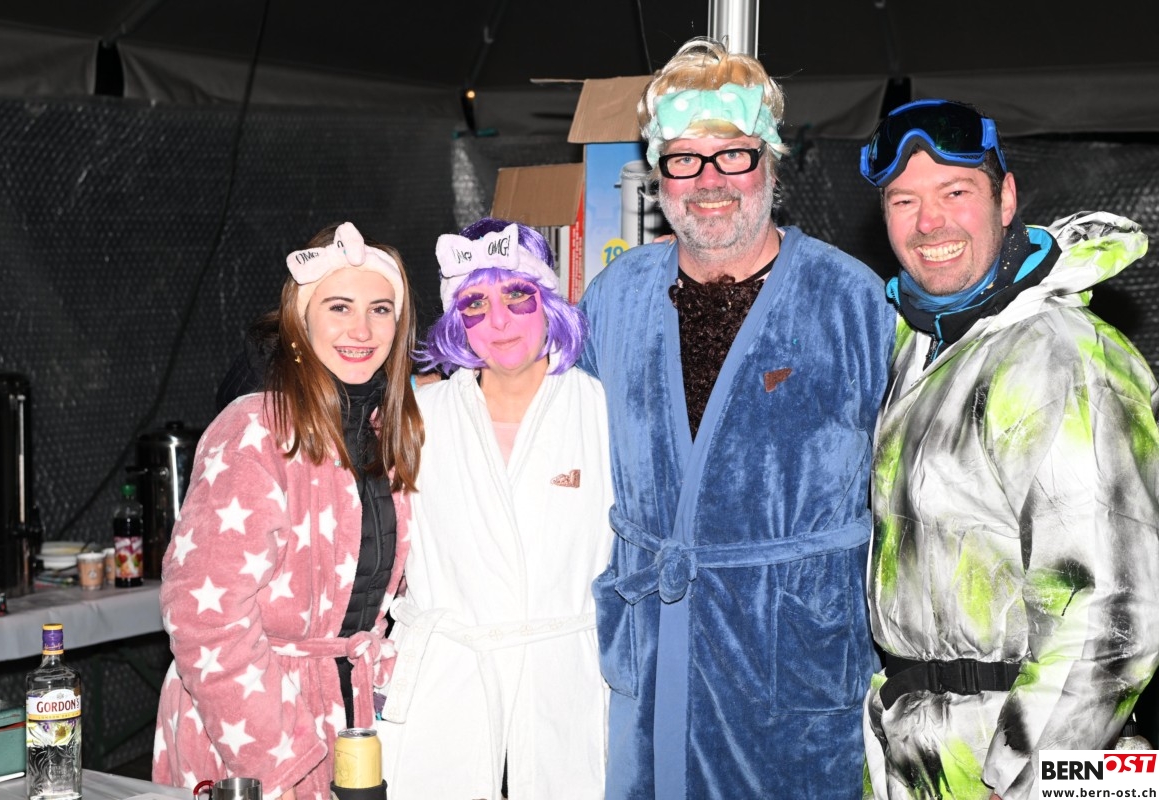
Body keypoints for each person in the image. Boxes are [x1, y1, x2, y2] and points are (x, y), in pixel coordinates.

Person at [578, 37, 897, 800]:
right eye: (685, 159)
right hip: (654, 663)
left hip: (792, 674)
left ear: (771, 163)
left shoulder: (850, 301)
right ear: (658, 173)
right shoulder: (616, 296)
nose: (710, 180)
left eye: (733, 155)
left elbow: (909, 499)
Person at [857, 98, 1159, 800]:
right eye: (904, 201)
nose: (929, 223)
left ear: (1006, 199)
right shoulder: (921, 346)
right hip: (928, 757)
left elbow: (1114, 616)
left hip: (1029, 763)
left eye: (955, 193)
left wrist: (1024, 776)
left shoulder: (1061, 357)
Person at [153, 222, 424, 800]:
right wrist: (282, 760)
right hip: (251, 728)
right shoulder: (255, 431)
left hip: (354, 720)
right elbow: (205, 619)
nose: (361, 329)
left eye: (379, 310)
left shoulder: (395, 434)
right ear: (301, 321)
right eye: (339, 307)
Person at [376, 218, 614, 800]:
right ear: (457, 319)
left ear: (548, 299)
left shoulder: (603, 412)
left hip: (565, 693)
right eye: (475, 304)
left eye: (517, 295)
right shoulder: (414, 420)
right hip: (446, 691)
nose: (500, 321)